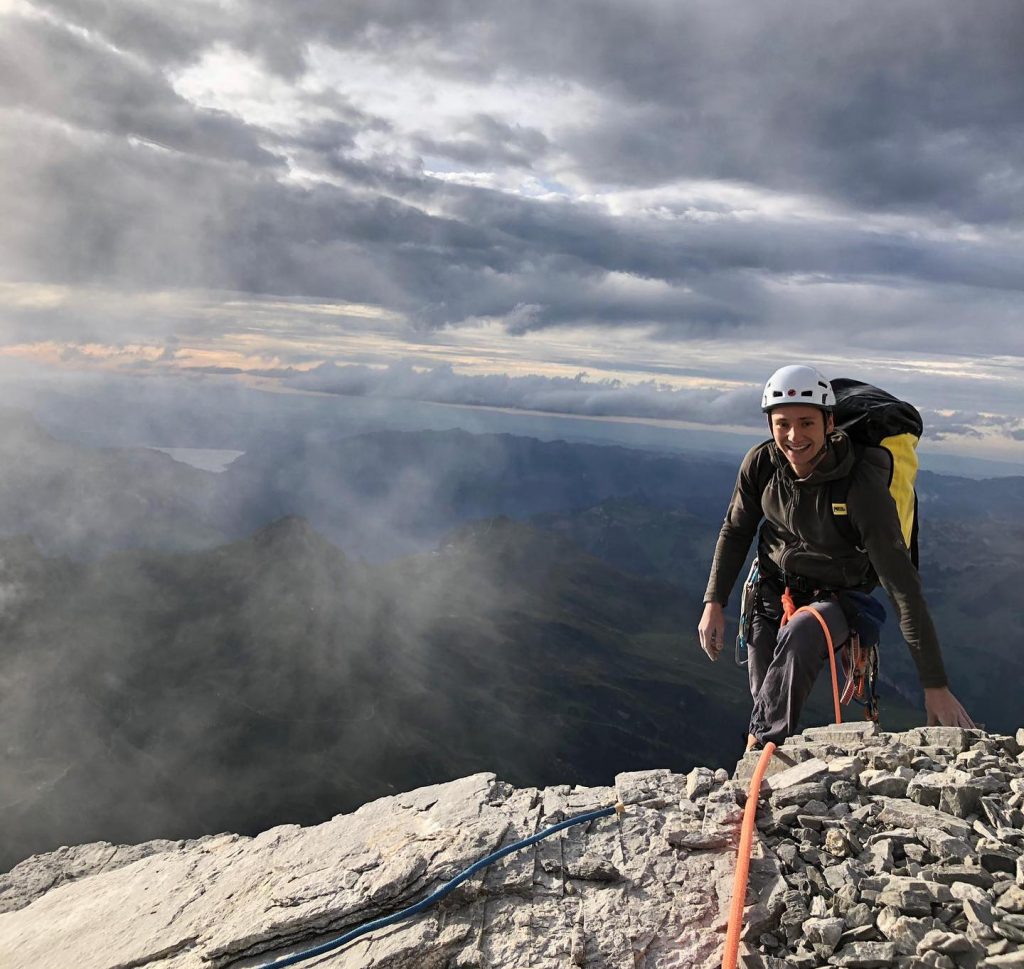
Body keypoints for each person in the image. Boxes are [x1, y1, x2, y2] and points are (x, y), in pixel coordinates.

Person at [697, 364, 973, 749]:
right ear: (770, 425)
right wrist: (714, 602)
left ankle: (757, 755)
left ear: (829, 423)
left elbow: (903, 588)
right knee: (768, 692)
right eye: (782, 424)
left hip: (839, 599)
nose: (794, 436)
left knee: (801, 635)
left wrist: (935, 685)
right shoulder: (761, 464)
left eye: (806, 423)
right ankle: (771, 760)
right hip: (772, 588)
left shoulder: (860, 485)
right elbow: (736, 530)